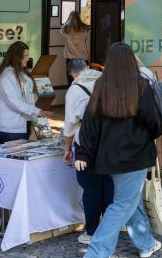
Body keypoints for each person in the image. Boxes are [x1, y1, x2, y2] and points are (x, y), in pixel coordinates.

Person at [75, 43, 162, 258]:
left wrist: (83, 152)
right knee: (123, 203)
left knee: (128, 199)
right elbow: (154, 122)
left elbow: (89, 122)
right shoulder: (141, 86)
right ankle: (96, 253)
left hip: (108, 157)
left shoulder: (101, 86)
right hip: (134, 157)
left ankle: (146, 244)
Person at [62, 59, 112, 246]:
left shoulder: (75, 89)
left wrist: (67, 148)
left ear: (72, 74)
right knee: (108, 185)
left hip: (86, 146)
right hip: (109, 142)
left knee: (91, 189)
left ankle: (92, 231)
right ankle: (110, 227)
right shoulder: (106, 79)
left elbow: (69, 125)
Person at [0, 41, 52, 144]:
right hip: (9, 128)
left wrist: (40, 124)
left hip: (22, 125)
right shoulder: (7, 76)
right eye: (25, 56)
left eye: (27, 56)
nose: (28, 59)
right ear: (16, 57)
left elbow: (29, 101)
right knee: (12, 158)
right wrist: (37, 111)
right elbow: (14, 102)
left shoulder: (23, 73)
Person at [61, 10, 91, 85]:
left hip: (70, 60)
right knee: (84, 83)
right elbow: (88, 46)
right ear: (79, 17)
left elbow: (62, 31)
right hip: (83, 60)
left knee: (71, 83)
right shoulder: (86, 29)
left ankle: (71, 95)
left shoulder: (66, 30)